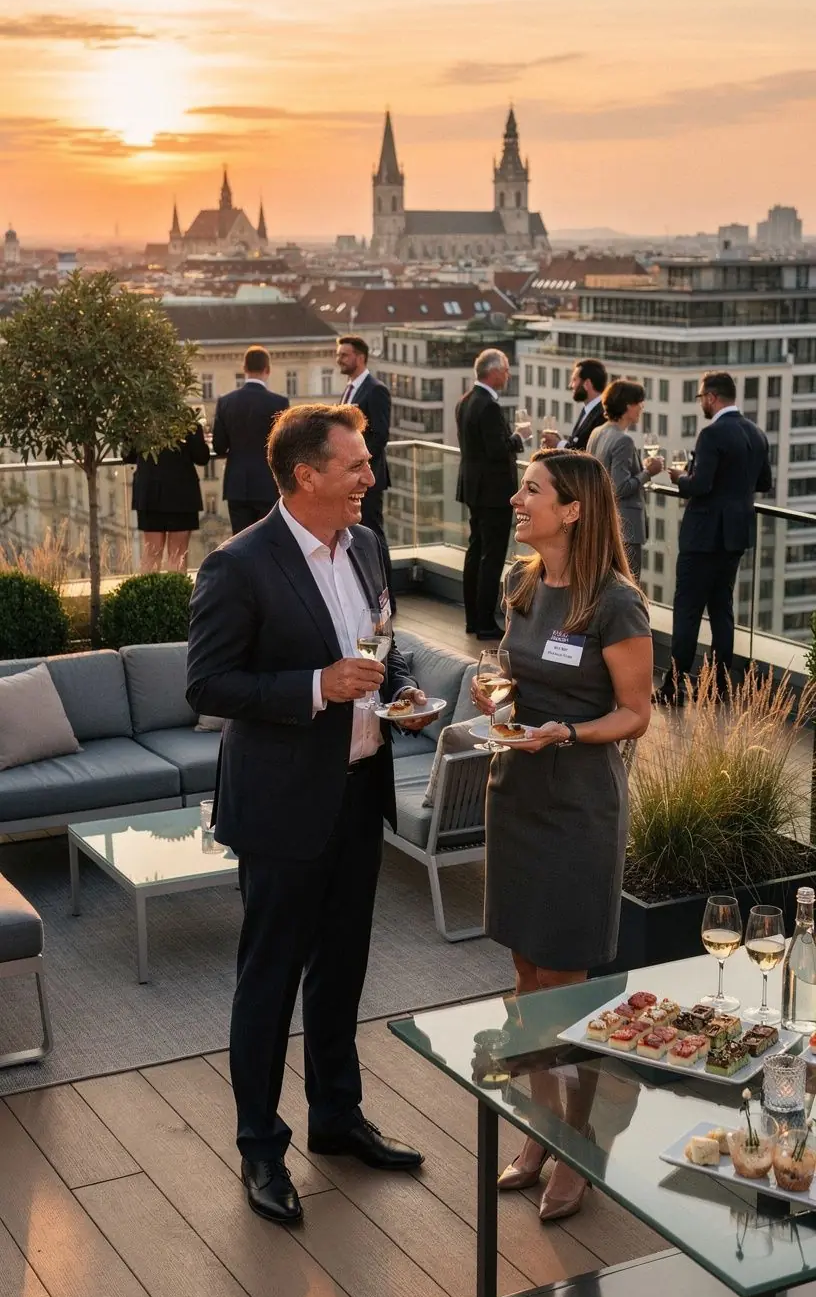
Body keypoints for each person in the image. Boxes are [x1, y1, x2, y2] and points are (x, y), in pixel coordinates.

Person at [186, 402, 432, 1226]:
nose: (373, 476)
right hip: (282, 809)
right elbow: (208, 686)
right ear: (306, 477)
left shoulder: (367, 544)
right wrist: (315, 687)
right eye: (357, 465)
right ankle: (261, 1148)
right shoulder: (238, 564)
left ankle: (335, 1118)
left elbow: (381, 644)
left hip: (360, 794)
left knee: (342, 970)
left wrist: (400, 695)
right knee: (269, 983)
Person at [471, 449, 652, 1220]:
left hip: (577, 805)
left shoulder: (615, 604)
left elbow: (635, 714)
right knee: (524, 977)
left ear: (573, 508)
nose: (517, 499)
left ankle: (579, 1149)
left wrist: (566, 733)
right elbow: (509, 679)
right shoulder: (518, 584)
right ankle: (540, 1131)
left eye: (532, 491)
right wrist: (497, 707)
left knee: (566, 989)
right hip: (514, 793)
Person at [656, 370, 773, 704]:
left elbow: (700, 485)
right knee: (722, 610)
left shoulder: (711, 434)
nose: (701, 404)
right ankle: (720, 686)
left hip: (703, 535)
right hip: (736, 535)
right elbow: (763, 482)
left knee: (688, 609)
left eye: (700, 398)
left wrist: (681, 477)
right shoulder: (756, 433)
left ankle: (674, 686)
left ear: (711, 396)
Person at [456, 348, 531, 640]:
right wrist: (519, 438)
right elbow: (497, 450)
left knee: (476, 551)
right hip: (493, 491)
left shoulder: (465, 401)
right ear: (493, 372)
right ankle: (486, 622)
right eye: (506, 369)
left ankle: (473, 618)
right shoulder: (488, 405)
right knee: (492, 555)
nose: (508, 375)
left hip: (473, 487)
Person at [335, 335, 395, 608]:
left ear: (360, 357)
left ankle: (387, 599)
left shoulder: (375, 390)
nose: (339, 359)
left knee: (373, 535)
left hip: (368, 478)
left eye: (344, 354)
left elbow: (380, 435)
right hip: (350, 477)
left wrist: (355, 465)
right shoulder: (349, 389)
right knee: (355, 535)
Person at [587, 379, 664, 582]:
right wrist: (649, 472)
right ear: (628, 405)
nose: (642, 407)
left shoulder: (597, 433)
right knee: (628, 586)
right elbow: (619, 487)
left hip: (601, 523)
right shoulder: (623, 440)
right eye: (640, 402)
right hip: (625, 529)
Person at [211, 345, 289, 534]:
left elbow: (219, 446)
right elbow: (285, 445)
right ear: (267, 370)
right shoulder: (279, 403)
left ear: (244, 369)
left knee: (240, 542)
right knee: (269, 541)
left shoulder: (225, 402)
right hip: (268, 483)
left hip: (237, 485)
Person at [124, 417, 210, 572]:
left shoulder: (140, 420)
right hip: (181, 493)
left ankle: (148, 595)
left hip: (149, 491)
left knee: (152, 553)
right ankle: (176, 595)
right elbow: (201, 457)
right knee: (178, 554)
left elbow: (127, 455)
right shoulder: (187, 420)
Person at [542, 358, 607, 452]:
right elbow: (578, 443)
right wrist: (560, 442)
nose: (570, 385)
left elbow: (586, 452)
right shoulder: (587, 410)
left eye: (574, 380)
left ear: (587, 384)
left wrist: (558, 444)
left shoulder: (603, 414)